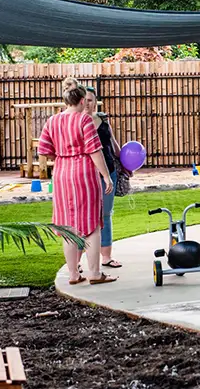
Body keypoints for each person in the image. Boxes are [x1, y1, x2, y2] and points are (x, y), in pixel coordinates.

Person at [38, 78, 116, 285]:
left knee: (68, 226)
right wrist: (106, 176)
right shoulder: (84, 120)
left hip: (62, 174)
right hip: (84, 173)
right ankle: (95, 274)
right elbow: (94, 150)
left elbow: (44, 151)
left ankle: (73, 275)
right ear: (82, 100)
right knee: (91, 225)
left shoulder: (52, 121)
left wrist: (63, 159)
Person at [85, 86, 123, 269]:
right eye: (84, 99)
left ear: (95, 101)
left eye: (91, 100)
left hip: (109, 171)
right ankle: (77, 262)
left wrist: (123, 163)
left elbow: (112, 143)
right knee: (84, 216)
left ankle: (106, 257)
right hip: (86, 175)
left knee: (105, 215)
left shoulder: (103, 119)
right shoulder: (76, 122)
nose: (87, 103)